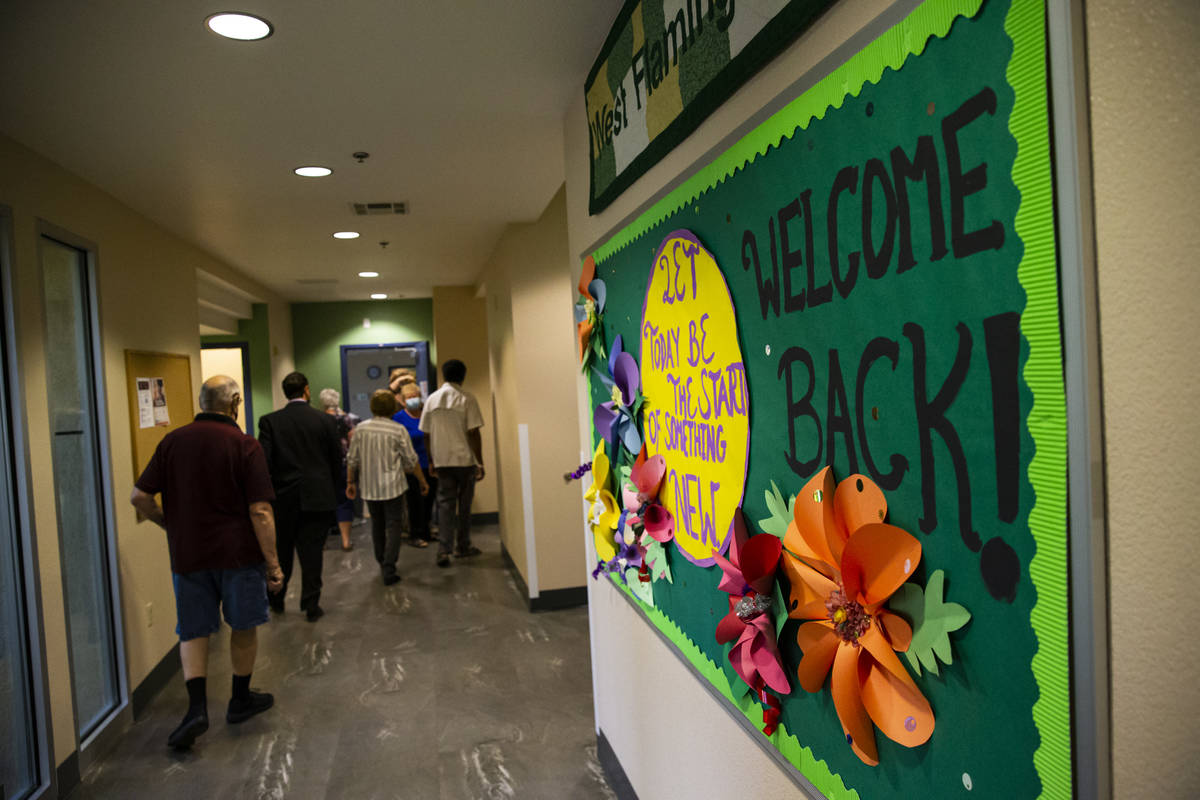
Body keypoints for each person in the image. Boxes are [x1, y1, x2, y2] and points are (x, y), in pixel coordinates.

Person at [130, 375, 283, 750]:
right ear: (233, 401)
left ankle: (196, 710)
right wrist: (274, 565)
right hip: (238, 555)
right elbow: (260, 510)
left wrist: (172, 524)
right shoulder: (244, 444)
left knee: (193, 630)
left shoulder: (173, 441)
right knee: (243, 626)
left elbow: (139, 497)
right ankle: (239, 699)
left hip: (189, 555)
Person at [257, 372, 342, 621]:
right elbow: (336, 460)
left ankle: (277, 599)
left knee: (281, 550)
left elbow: (265, 462)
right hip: (318, 496)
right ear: (306, 390)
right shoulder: (325, 421)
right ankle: (311, 604)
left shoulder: (270, 422)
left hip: (283, 498)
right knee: (313, 552)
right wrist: (330, 487)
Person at [346, 389, 429, 583]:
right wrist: (422, 481)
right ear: (392, 408)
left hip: (369, 488)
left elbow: (352, 459)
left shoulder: (360, 429)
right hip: (394, 487)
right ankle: (389, 567)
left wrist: (350, 482)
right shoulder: (397, 429)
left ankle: (382, 561)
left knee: (378, 525)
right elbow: (411, 459)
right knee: (394, 526)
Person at [420, 359, 485, 568]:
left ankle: (443, 550)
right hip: (464, 461)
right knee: (464, 506)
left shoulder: (431, 400)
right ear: (462, 376)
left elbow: (426, 434)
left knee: (445, 505)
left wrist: (430, 460)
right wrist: (480, 462)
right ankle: (463, 547)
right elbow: (474, 432)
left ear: (444, 375)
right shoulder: (467, 398)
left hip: (442, 461)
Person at [392, 382, 434, 547]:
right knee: (415, 502)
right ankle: (415, 534)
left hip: (429, 463)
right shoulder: (399, 418)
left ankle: (426, 531)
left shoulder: (426, 414)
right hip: (410, 467)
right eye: (409, 398)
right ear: (403, 401)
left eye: (415, 396)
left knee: (429, 500)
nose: (413, 400)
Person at [319, 387, 360, 551]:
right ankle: (345, 541)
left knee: (324, 503)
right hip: (344, 464)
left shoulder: (319, 419)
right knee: (345, 501)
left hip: (325, 467)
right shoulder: (347, 419)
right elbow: (352, 441)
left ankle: (321, 543)